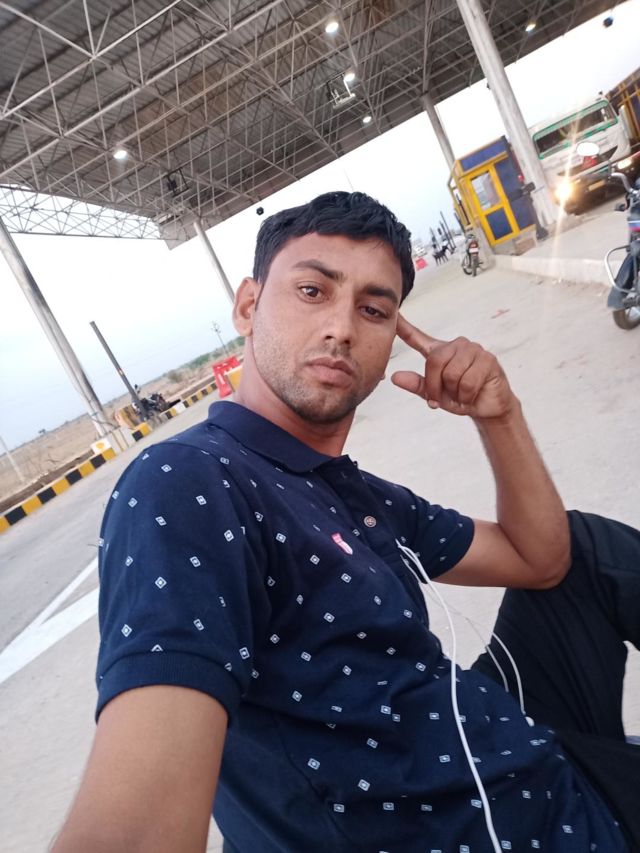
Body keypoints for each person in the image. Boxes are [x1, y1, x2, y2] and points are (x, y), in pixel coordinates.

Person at [53, 192, 639, 853]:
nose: (341, 327)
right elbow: (133, 829)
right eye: (312, 291)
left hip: (517, 749)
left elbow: (544, 560)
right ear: (248, 306)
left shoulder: (354, 491)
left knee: (588, 547)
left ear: (392, 340)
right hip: (507, 827)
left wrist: (499, 416)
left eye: (373, 309)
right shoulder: (193, 481)